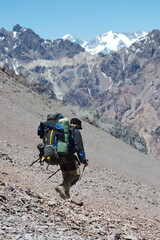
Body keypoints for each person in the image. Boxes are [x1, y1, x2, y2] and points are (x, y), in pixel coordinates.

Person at [55, 118, 88, 199]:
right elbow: (79, 148)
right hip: (69, 157)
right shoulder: (75, 131)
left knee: (67, 178)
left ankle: (65, 196)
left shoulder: (62, 130)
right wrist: (83, 161)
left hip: (60, 157)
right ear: (77, 125)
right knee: (76, 175)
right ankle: (62, 187)